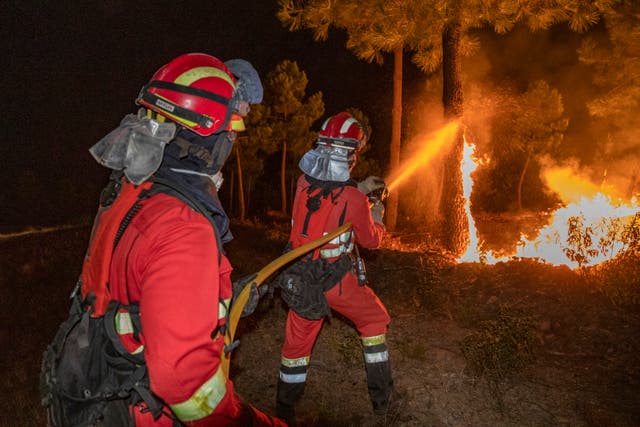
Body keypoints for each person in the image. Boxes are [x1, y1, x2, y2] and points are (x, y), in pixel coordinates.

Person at [61, 53, 285, 426]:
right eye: (231, 131)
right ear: (206, 135)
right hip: (145, 412)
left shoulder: (132, 190)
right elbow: (183, 381)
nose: (232, 140)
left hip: (100, 387)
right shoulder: (184, 225)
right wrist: (247, 420)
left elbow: (135, 295)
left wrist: (221, 301)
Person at [275, 112, 394, 421]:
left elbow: (330, 193)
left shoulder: (302, 182)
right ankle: (382, 401)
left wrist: (360, 188)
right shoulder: (354, 198)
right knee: (373, 321)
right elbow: (370, 241)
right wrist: (377, 212)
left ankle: (284, 410)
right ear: (350, 154)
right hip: (337, 283)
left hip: (301, 278)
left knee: (296, 346)